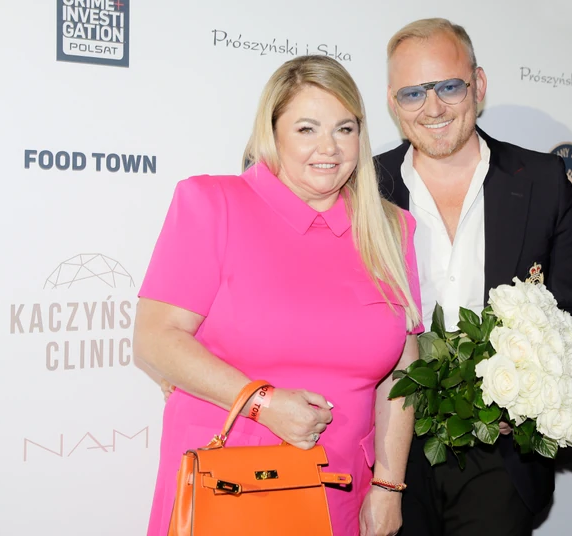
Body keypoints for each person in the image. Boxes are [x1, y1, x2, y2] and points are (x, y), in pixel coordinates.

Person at [133, 54, 423, 536]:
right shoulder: (213, 205)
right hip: (227, 487)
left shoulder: (391, 229)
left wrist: (389, 485)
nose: (329, 148)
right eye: (307, 129)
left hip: (341, 490)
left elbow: (402, 370)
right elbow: (155, 338)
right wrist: (261, 402)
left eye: (345, 129)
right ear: (272, 134)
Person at [375, 18, 572, 536]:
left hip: (499, 455)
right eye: (413, 93)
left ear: (478, 85)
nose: (432, 108)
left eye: (448, 87)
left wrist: (528, 396)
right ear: (393, 102)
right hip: (388, 451)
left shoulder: (543, 180)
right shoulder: (365, 188)